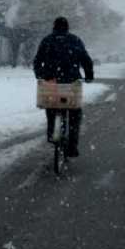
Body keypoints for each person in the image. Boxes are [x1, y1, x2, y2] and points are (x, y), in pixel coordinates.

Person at [33, 16, 94, 157]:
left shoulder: (47, 40)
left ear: (53, 27)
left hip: (51, 83)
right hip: (71, 83)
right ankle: (72, 146)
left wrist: (40, 74)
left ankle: (52, 135)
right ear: (67, 27)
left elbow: (37, 60)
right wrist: (89, 75)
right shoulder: (75, 40)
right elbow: (86, 60)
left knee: (52, 109)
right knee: (74, 114)